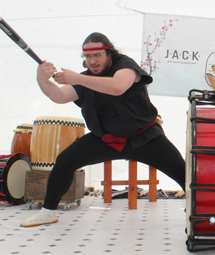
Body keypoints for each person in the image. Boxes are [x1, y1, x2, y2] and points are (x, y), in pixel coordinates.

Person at [21, 32, 186, 227]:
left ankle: (202, 209)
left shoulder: (126, 66)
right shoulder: (83, 79)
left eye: (97, 55)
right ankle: (48, 212)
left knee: (183, 172)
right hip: (105, 140)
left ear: (109, 53)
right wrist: (42, 79)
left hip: (145, 137)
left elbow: (117, 87)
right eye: (88, 57)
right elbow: (59, 96)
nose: (92, 61)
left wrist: (77, 79)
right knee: (65, 160)